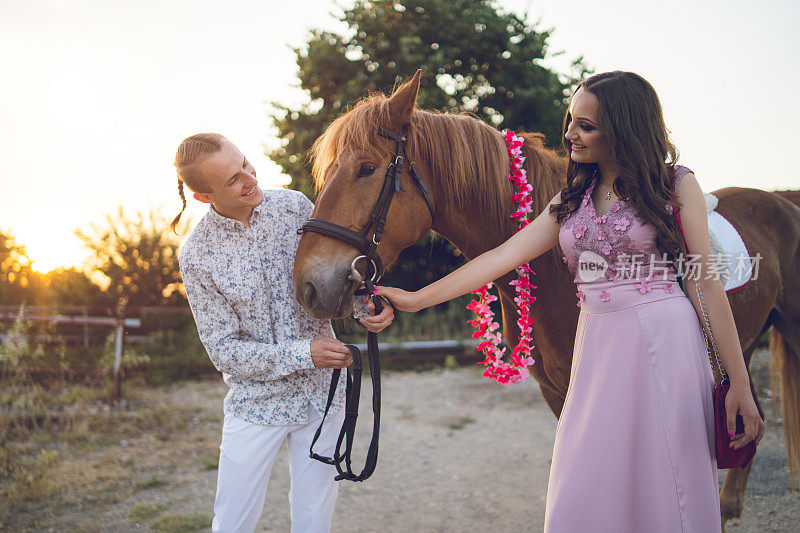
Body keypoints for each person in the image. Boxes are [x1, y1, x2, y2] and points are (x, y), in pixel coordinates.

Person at [374, 71, 765, 532]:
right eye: (571, 120)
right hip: (597, 345)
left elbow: (705, 283)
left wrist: (738, 381)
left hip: (664, 341)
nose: (570, 134)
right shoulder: (571, 199)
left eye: (587, 126)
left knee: (666, 475)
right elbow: (502, 255)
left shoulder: (676, 186)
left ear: (624, 129)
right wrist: (416, 299)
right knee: (585, 471)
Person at [172, 133, 394, 533]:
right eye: (232, 180)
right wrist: (303, 352)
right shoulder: (197, 255)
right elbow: (225, 351)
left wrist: (368, 308)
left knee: (315, 514)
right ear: (206, 197)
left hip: (324, 394)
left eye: (244, 163)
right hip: (256, 405)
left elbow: (336, 282)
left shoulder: (295, 207)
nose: (249, 178)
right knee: (234, 521)